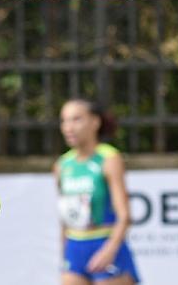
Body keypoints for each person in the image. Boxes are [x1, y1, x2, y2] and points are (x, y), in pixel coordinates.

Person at [56, 100, 141, 284]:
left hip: (104, 242)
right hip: (75, 246)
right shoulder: (62, 165)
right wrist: (64, 252)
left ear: (95, 122)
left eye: (76, 119)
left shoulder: (108, 158)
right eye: (64, 121)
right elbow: (64, 216)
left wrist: (110, 250)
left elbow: (124, 215)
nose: (68, 127)